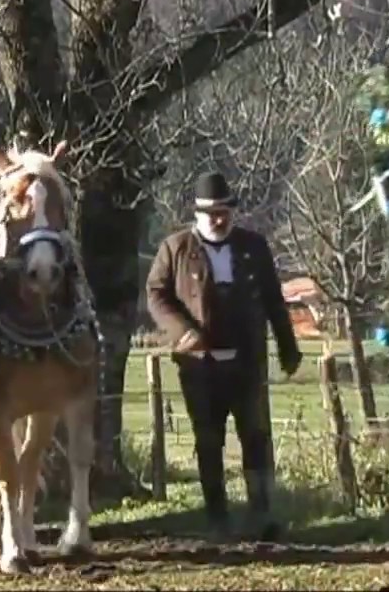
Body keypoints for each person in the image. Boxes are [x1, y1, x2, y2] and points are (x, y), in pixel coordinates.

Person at [144, 172, 302, 542]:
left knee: (256, 436)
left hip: (247, 362)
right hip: (201, 366)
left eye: (225, 211)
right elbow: (156, 294)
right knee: (208, 440)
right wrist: (183, 331)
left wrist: (287, 345)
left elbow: (274, 300)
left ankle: (262, 515)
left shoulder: (254, 247)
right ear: (197, 214)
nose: (219, 219)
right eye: (212, 212)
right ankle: (218, 517)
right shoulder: (175, 248)